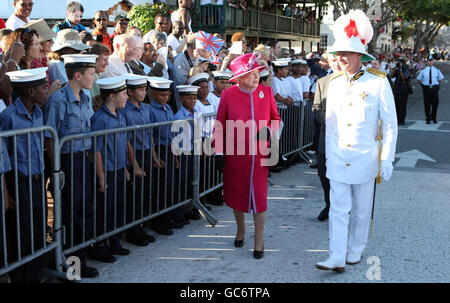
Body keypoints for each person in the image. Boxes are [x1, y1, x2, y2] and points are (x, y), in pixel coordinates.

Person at [315, 10, 398, 272]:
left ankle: (356, 248)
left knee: (362, 211)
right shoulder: (335, 82)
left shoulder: (378, 82)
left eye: (346, 55)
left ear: (360, 57)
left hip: (365, 157)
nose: (340, 59)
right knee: (338, 208)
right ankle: (336, 255)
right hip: (339, 156)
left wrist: (387, 159)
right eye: (338, 54)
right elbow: (330, 125)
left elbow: (390, 124)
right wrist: (328, 156)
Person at [212, 53, 281, 259]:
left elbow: (275, 118)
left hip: (260, 155)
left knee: (259, 198)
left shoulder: (266, 93)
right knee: (236, 195)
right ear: (240, 78)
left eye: (257, 73)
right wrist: (219, 151)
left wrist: (268, 132)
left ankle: (259, 239)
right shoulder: (228, 95)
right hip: (235, 155)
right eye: (251, 74)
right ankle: (240, 229)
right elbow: (220, 124)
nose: (256, 77)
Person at [44, 54, 99, 278]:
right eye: (91, 74)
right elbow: (49, 137)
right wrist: (55, 170)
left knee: (84, 209)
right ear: (78, 75)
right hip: (66, 160)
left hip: (83, 157)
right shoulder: (58, 100)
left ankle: (80, 260)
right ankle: (70, 266)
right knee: (68, 213)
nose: (94, 79)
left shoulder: (85, 98)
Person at [0, 67, 48, 282]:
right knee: (21, 229)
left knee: (38, 226)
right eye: (43, 87)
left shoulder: (38, 112)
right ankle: (20, 276)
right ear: (30, 92)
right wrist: (8, 192)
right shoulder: (8, 117)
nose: (47, 91)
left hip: (37, 176)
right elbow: (5, 155)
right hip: (19, 179)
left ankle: (36, 275)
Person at [89, 75, 131, 262]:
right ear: (112, 96)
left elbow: (122, 144)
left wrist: (127, 168)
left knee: (118, 208)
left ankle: (114, 242)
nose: (127, 97)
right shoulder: (99, 119)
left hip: (120, 169)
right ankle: (100, 246)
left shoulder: (119, 115)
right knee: (104, 210)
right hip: (108, 171)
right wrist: (101, 176)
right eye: (123, 94)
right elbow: (96, 151)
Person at [122, 74, 160, 246]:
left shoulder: (146, 109)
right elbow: (127, 140)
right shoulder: (124, 110)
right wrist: (135, 165)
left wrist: (154, 156)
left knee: (146, 192)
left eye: (145, 89)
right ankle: (133, 231)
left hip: (146, 152)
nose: (144, 93)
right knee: (135, 195)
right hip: (134, 154)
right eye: (140, 89)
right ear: (130, 91)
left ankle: (143, 226)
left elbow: (150, 135)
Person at [148, 77, 183, 235]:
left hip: (169, 148)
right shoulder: (150, 111)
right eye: (161, 95)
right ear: (153, 94)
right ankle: (159, 220)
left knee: (170, 185)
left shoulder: (168, 109)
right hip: (159, 149)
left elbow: (171, 133)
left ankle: (169, 216)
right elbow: (151, 137)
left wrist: (174, 155)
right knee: (160, 187)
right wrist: (155, 156)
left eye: (167, 95)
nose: (165, 98)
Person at [312, 52, 341, 221]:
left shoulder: (354, 83)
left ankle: (341, 205)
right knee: (323, 173)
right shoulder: (322, 82)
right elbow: (316, 108)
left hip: (347, 141)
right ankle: (329, 204)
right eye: (333, 60)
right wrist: (327, 119)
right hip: (326, 137)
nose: (336, 63)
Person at [416, 55, 444, 124]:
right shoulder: (423, 71)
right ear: (427, 62)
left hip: (434, 88)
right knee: (427, 104)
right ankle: (428, 118)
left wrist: (436, 84)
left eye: (431, 61)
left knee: (435, 103)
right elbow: (418, 79)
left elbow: (440, 79)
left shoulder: (437, 70)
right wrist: (423, 85)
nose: (430, 62)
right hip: (426, 88)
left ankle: (434, 117)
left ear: (433, 62)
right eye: (429, 61)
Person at [86, 42, 111, 110]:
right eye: (104, 59)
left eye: (107, 60)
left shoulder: (96, 75)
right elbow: (96, 104)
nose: (107, 63)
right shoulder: (93, 77)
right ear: (94, 60)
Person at [392, 59, 412, 125]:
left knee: (402, 105)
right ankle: (397, 119)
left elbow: (404, 78)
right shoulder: (397, 69)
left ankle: (402, 120)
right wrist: (395, 68)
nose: (399, 64)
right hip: (397, 89)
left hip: (404, 89)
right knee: (397, 105)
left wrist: (400, 70)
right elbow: (392, 75)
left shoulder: (407, 69)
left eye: (400, 63)